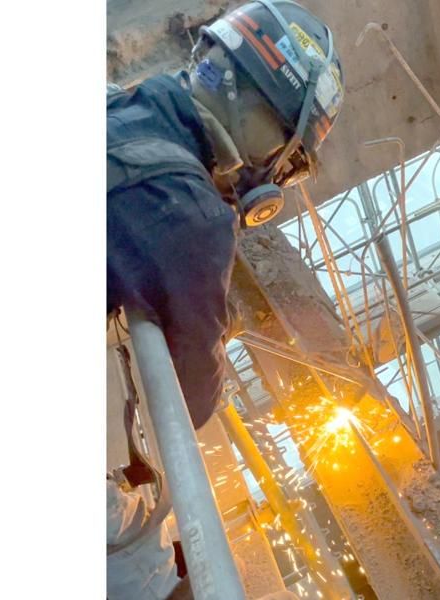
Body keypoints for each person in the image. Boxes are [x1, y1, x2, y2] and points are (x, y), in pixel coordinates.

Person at [107, 2, 344, 598]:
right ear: (263, 118)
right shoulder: (190, 215)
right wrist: (217, 320)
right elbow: (192, 397)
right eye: (286, 157)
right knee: (137, 550)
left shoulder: (128, 101)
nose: (276, 172)